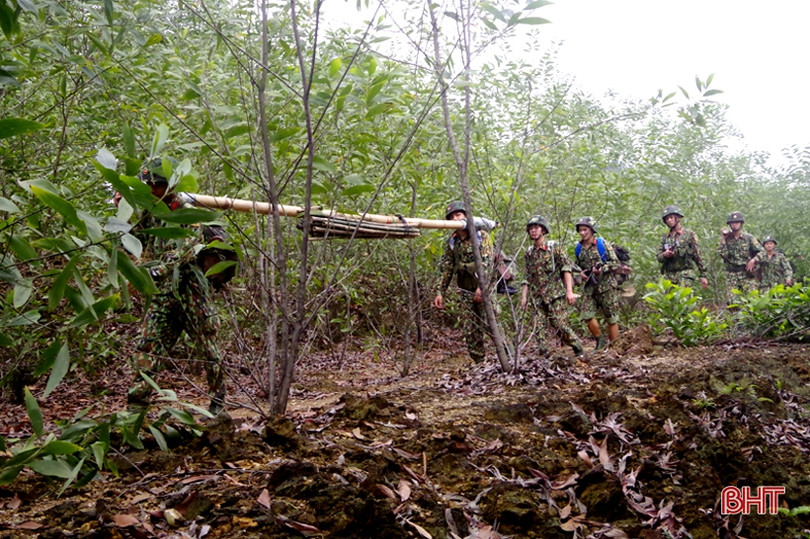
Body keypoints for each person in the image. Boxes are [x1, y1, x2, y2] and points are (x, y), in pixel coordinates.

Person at [126, 158, 227, 415]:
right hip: (163, 296)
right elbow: (136, 239)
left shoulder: (186, 209)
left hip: (192, 293)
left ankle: (218, 403)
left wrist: (150, 275)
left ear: (169, 185)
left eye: (156, 185)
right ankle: (136, 408)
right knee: (147, 345)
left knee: (208, 348)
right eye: (147, 185)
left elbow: (181, 253)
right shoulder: (150, 211)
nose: (150, 190)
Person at [433, 201, 493, 363]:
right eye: (451, 217)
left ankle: (508, 359)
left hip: (483, 289)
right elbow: (446, 268)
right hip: (465, 290)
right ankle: (479, 363)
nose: (455, 219)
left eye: (458, 215)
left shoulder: (481, 237)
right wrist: (440, 292)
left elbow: (487, 262)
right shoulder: (452, 242)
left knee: (491, 324)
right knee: (470, 330)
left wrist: (482, 287)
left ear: (465, 216)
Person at [519, 216, 584, 357]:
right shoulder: (529, 253)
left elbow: (566, 268)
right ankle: (544, 355)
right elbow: (527, 276)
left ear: (543, 230)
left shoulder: (554, 248)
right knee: (539, 328)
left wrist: (569, 291)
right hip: (537, 297)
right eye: (531, 229)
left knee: (559, 324)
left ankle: (578, 348)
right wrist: (524, 297)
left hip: (554, 295)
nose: (533, 231)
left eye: (536, 228)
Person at [573, 216, 620, 350]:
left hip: (606, 286)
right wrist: (580, 274)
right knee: (586, 316)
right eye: (580, 230)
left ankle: (614, 347)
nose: (582, 233)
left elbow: (615, 263)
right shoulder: (579, 249)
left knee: (611, 318)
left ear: (592, 230)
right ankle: (600, 341)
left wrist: (602, 269)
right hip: (590, 288)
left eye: (585, 230)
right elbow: (577, 267)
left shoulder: (602, 244)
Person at [657, 205, 709, 289]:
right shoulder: (665, 238)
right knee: (668, 301)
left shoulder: (689, 235)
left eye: (671, 217)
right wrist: (665, 255)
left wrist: (703, 275)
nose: (669, 220)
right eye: (667, 219)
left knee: (683, 299)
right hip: (669, 275)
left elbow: (698, 256)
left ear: (678, 218)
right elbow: (659, 257)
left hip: (685, 274)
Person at [718, 211, 762, 304]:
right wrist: (723, 239)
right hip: (731, 274)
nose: (734, 225)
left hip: (746, 273)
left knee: (752, 300)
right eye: (732, 223)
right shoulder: (727, 239)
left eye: (737, 222)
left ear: (741, 223)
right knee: (732, 302)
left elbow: (762, 252)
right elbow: (723, 255)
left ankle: (751, 318)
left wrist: (753, 260)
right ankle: (735, 318)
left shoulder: (748, 238)